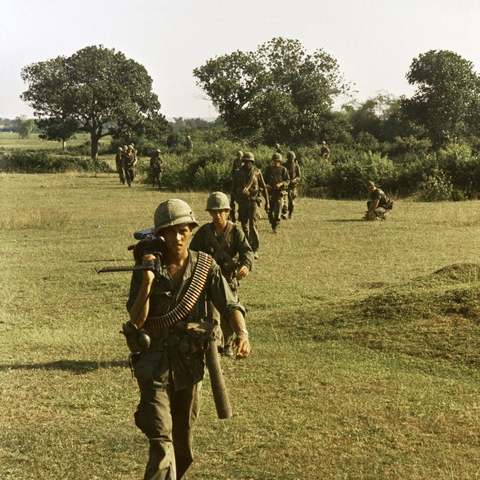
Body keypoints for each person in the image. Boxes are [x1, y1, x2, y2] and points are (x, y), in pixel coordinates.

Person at [126, 198, 251, 480]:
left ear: (192, 230)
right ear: (160, 235)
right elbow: (136, 320)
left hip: (189, 365)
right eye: (170, 231)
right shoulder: (147, 268)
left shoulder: (205, 266)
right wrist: (147, 281)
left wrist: (242, 332)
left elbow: (229, 304)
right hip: (154, 364)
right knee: (161, 440)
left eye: (183, 230)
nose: (177, 237)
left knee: (182, 445)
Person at [190, 191, 253, 357]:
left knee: (230, 313)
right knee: (211, 313)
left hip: (228, 279)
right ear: (209, 212)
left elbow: (246, 251)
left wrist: (245, 265)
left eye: (221, 211)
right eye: (214, 211)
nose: (218, 215)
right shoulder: (204, 232)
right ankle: (214, 345)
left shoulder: (235, 231)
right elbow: (192, 253)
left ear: (227, 211)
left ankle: (227, 345)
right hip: (208, 279)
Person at [231, 152, 269, 259]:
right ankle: (246, 247)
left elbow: (264, 187)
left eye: (250, 162)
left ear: (252, 162)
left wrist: (268, 203)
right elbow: (233, 191)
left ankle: (255, 249)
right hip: (242, 203)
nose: (248, 164)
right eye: (246, 161)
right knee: (244, 227)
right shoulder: (238, 173)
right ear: (243, 162)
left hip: (253, 202)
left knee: (253, 225)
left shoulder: (256, 173)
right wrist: (233, 204)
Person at [264, 153, 290, 233]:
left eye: (278, 161)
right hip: (270, 193)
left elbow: (287, 180)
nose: (276, 162)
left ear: (280, 161)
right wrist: (266, 185)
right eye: (275, 161)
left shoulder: (283, 170)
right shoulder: (268, 169)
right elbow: (263, 180)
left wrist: (281, 184)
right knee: (269, 211)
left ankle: (275, 227)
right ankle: (272, 222)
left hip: (279, 193)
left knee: (278, 211)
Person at [282, 151, 301, 220]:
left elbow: (299, 176)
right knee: (284, 200)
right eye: (290, 159)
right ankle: (284, 213)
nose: (291, 160)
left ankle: (290, 213)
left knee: (291, 202)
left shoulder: (296, 166)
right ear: (287, 158)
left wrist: (295, 180)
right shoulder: (283, 166)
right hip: (285, 185)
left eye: (292, 158)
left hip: (293, 186)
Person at [229, 150, 244, 222]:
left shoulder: (244, 162)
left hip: (240, 182)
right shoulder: (235, 161)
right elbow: (232, 170)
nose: (239, 157)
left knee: (241, 201)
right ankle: (232, 216)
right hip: (235, 181)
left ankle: (241, 215)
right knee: (232, 200)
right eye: (238, 156)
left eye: (240, 156)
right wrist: (232, 176)